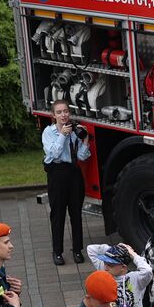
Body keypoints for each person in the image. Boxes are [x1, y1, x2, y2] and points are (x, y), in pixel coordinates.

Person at [42, 99, 91, 265]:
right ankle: (57, 252)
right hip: (57, 175)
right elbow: (55, 154)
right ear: (53, 115)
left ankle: (77, 250)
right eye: (59, 112)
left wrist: (85, 139)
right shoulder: (49, 133)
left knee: (76, 214)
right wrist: (63, 135)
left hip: (74, 173)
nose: (63, 115)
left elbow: (83, 156)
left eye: (65, 111)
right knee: (58, 215)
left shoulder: (74, 131)